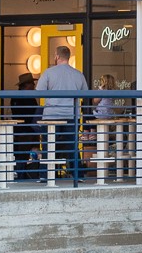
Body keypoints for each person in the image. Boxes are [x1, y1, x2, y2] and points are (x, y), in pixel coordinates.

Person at [36, 45, 88, 174]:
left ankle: (46, 175)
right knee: (72, 146)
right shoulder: (78, 74)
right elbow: (85, 93)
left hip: (51, 116)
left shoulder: (48, 72)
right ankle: (77, 174)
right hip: (71, 115)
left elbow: (38, 92)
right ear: (68, 57)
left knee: (48, 147)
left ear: (57, 56)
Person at [10, 72, 41, 181]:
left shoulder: (14, 98)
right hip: (29, 131)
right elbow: (33, 114)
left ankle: (21, 176)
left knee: (21, 156)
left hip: (20, 130)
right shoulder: (29, 98)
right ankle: (31, 176)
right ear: (26, 85)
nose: (34, 85)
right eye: (32, 83)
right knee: (30, 154)